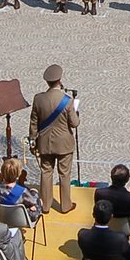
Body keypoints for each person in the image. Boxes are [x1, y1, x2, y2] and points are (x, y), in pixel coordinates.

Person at [28, 64, 78, 215]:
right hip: (64, 144)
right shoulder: (67, 101)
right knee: (64, 174)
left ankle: (45, 205)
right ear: (59, 80)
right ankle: (65, 205)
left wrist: (32, 139)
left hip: (45, 143)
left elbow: (33, 122)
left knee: (46, 172)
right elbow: (74, 123)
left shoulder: (38, 99)